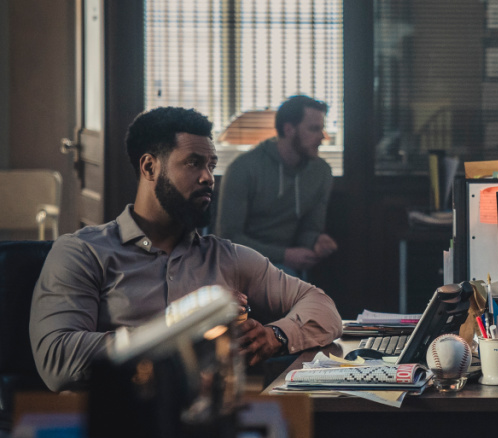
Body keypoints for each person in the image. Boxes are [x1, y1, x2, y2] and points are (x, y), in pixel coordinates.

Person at [30, 106, 342, 392]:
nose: (208, 177)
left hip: (209, 430)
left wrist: (277, 336)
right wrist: (186, 323)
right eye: (193, 163)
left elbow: (322, 306)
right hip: (116, 436)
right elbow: (58, 359)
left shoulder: (228, 257)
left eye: (211, 165)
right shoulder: (83, 252)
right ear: (150, 167)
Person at [215, 95, 337, 276]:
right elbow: (228, 239)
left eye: (322, 129)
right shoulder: (243, 168)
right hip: (242, 263)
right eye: (314, 129)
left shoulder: (321, 172)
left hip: (289, 264)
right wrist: (284, 255)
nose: (322, 137)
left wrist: (317, 241)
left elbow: (310, 228)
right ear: (289, 130)